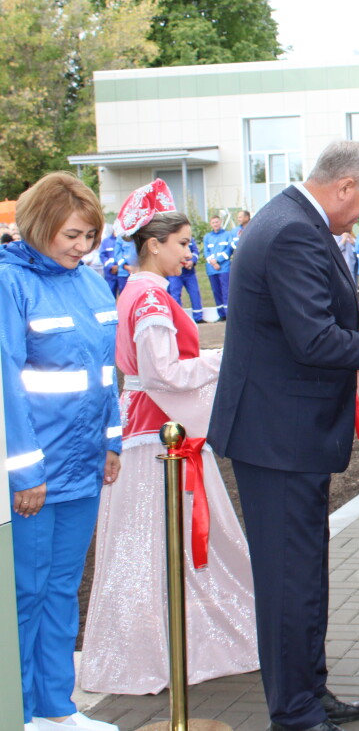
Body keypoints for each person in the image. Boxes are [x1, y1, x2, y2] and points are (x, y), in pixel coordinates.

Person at [209, 141, 359, 731]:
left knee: (304, 573)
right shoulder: (293, 230)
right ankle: (293, 711)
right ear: (344, 186)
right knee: (288, 579)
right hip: (278, 436)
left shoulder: (291, 219)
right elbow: (314, 339)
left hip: (286, 433)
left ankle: (309, 691)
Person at [81, 180, 259, 694]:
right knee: (165, 541)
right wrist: (223, 360)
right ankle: (168, 649)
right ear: (153, 244)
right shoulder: (152, 299)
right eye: (182, 243)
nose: (190, 253)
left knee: (153, 543)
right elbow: (163, 373)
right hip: (161, 435)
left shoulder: (137, 292)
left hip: (149, 429)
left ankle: (163, 646)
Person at [1, 172, 122, 731]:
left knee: (61, 588)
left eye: (90, 236)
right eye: (72, 234)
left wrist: (111, 442)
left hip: (83, 467)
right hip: (35, 475)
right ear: (38, 224)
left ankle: (56, 708)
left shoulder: (93, 284)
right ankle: (20, 711)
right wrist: (25, 473)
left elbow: (106, 374)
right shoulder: (10, 284)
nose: (82, 246)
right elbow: (7, 386)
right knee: (25, 593)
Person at [202, 214, 233, 321]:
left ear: (220, 222)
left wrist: (218, 261)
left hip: (224, 268)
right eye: (213, 222)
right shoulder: (207, 237)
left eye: (217, 222)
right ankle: (221, 314)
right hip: (212, 269)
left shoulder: (227, 235)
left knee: (226, 291)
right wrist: (213, 262)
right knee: (216, 292)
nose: (215, 224)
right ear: (211, 224)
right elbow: (206, 251)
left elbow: (229, 250)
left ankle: (229, 314)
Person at [166, 237, 204, 323]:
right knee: (175, 295)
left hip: (189, 273)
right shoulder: (170, 239)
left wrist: (192, 261)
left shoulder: (189, 238)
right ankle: (178, 319)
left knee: (195, 293)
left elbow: (195, 251)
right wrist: (181, 262)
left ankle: (198, 317)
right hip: (175, 273)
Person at [98, 227, 119, 296]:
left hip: (122, 272)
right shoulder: (106, 241)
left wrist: (120, 267)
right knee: (109, 294)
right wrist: (110, 267)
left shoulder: (124, 241)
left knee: (124, 295)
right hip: (110, 272)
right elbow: (102, 255)